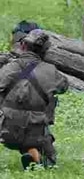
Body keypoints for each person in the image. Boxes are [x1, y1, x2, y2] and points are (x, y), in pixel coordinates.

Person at [0, 29, 68, 170]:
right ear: (45, 51)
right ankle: (36, 157)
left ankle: (31, 154)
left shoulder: (10, 67)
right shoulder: (51, 71)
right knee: (49, 160)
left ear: (23, 46)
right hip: (35, 130)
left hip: (6, 132)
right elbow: (63, 87)